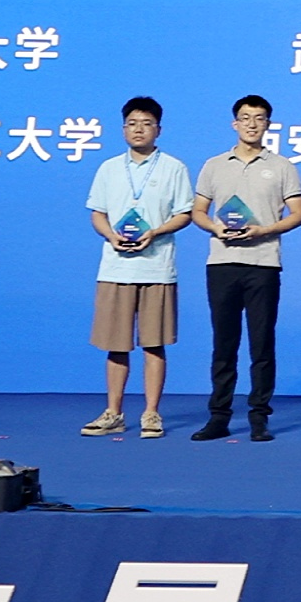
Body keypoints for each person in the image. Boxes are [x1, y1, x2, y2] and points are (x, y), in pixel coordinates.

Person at [192, 92, 301, 441]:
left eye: (259, 118)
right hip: (222, 263)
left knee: (261, 343)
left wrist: (264, 230)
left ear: (268, 124)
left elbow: (299, 214)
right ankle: (219, 416)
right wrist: (215, 228)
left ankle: (259, 416)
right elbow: (198, 211)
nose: (252, 124)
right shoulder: (214, 164)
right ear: (234, 123)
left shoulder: (282, 166)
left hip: (263, 263)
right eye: (245, 117)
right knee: (223, 343)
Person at [83, 95, 192, 438]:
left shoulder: (174, 167)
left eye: (146, 123)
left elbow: (185, 214)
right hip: (115, 269)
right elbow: (97, 213)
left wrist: (155, 232)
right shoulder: (109, 168)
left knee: (154, 344)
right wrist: (110, 236)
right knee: (115, 344)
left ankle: (151, 414)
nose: (139, 129)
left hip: (157, 268)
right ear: (123, 129)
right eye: (132, 123)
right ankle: (113, 412)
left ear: (159, 129)